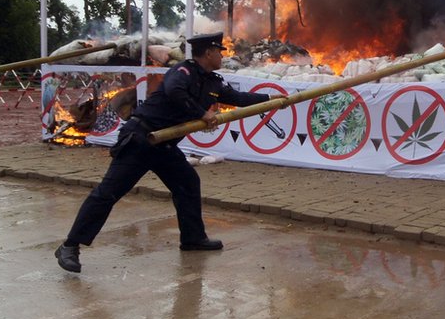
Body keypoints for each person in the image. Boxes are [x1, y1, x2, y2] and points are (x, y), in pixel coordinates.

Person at [55, 32, 281, 273]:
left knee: (187, 182)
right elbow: (175, 92)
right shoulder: (183, 72)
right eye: (219, 51)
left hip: (165, 145)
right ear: (208, 53)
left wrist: (272, 99)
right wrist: (201, 113)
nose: (222, 56)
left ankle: (193, 239)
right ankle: (70, 246)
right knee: (108, 193)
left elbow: (238, 97)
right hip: (141, 140)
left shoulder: (213, 81)